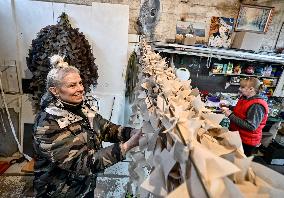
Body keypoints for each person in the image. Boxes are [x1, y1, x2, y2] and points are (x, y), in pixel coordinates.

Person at [33, 55, 141, 197]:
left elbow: (105, 128)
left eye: (80, 83)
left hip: (83, 187)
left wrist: (131, 132)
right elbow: (83, 163)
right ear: (55, 91)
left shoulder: (80, 106)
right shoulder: (47, 124)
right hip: (60, 192)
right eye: (72, 85)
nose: (80, 89)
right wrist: (127, 146)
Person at [221, 77, 269, 156]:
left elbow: (251, 126)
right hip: (238, 136)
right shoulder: (246, 98)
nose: (240, 89)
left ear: (251, 89)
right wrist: (229, 107)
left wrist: (230, 115)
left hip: (246, 141)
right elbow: (242, 111)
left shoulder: (257, 105)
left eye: (242, 87)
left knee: (239, 163)